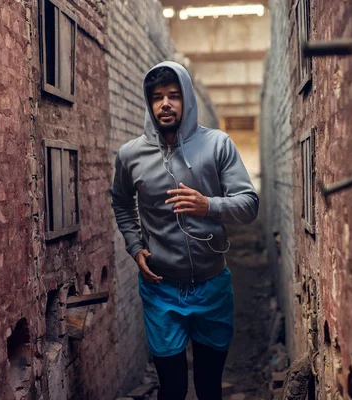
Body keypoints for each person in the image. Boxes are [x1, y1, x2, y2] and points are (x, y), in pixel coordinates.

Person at [110, 61, 259, 400]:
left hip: (212, 284)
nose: (165, 104)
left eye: (174, 96)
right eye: (158, 97)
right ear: (149, 103)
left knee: (208, 387)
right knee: (172, 388)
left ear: (187, 100)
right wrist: (135, 246)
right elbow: (120, 201)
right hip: (161, 289)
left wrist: (209, 205)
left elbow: (249, 204)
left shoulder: (217, 145)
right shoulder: (131, 155)